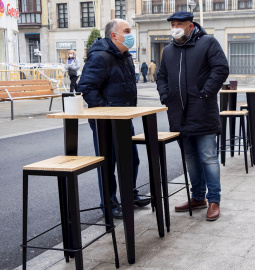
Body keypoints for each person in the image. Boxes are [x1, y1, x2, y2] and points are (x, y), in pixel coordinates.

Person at [157, 11, 229, 221]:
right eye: (172, 25)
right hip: (179, 114)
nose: (175, 28)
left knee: (207, 157)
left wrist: (205, 93)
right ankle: (198, 197)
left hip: (203, 111)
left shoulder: (208, 43)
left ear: (190, 25)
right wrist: (165, 96)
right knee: (190, 157)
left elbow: (221, 68)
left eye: (179, 24)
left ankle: (214, 199)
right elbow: (161, 76)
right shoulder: (169, 50)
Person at [78, 19, 150, 219]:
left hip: (124, 117)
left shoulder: (124, 56)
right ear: (114, 35)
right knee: (108, 163)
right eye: (126, 31)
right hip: (105, 121)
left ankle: (130, 194)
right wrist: (106, 110)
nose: (130, 34)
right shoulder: (100, 57)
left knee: (131, 159)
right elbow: (86, 87)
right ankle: (109, 204)